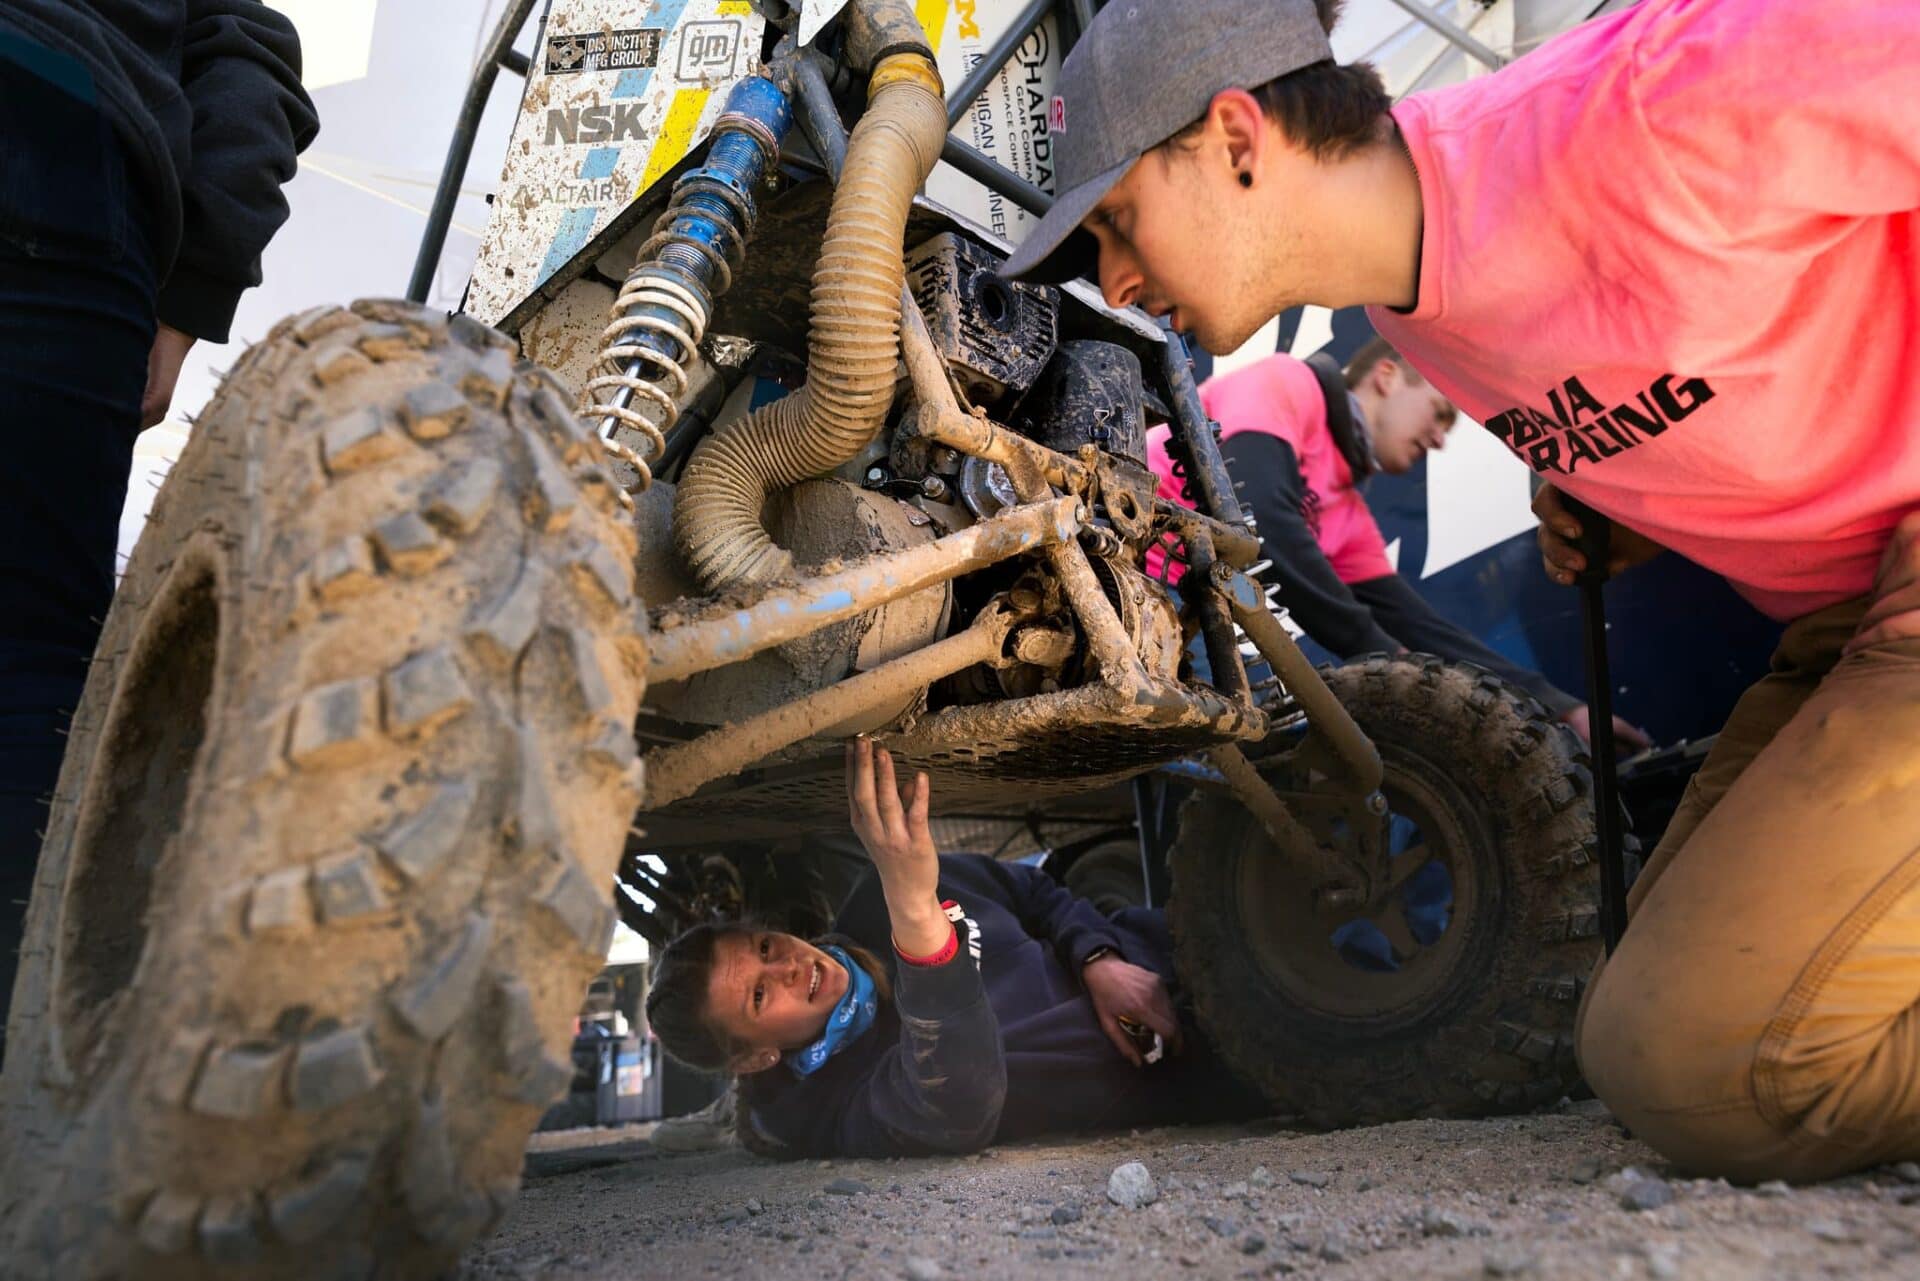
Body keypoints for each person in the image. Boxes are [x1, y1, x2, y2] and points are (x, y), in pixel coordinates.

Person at [1002, 0, 1920, 1182]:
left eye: (1120, 221)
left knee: (1711, 1065)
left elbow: (1325, 582)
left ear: (1236, 140)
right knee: (1631, 1005)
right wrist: (1631, 504)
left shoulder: (1645, 97)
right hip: (1840, 632)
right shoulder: (1411, 317)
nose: (1117, 283)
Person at [0, 2, 317, 1050]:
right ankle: (42, 1110)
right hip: (61, 138)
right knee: (29, 666)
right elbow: (249, 51)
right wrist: (188, 293)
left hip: (58, 122)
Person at [644, 739, 1267, 1158]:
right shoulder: (829, 1109)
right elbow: (957, 1107)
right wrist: (919, 923)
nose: (789, 965)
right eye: (759, 995)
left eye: (764, 945)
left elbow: (1035, 892)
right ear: (754, 1060)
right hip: (1217, 1055)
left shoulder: (870, 900)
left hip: (1184, 943)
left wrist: (1097, 960)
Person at [1148, 336, 1646, 749]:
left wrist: (1561, 708)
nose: (1439, 438)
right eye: (1439, 412)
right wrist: (1386, 655)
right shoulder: (1286, 382)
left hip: (1191, 612)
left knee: (1274, 741)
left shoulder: (1346, 514)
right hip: (1128, 568)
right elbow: (1259, 519)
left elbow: (1421, 627)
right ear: (1386, 376)